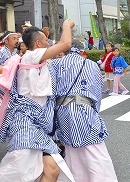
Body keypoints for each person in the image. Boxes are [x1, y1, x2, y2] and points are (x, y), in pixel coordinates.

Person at [0, 22, 74, 182]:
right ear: (38, 44)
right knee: (17, 171)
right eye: (46, 40)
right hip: (25, 123)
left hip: (39, 124)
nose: (49, 43)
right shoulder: (31, 56)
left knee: (52, 170)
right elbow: (66, 44)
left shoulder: (36, 60)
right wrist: (65, 25)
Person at [49, 41, 118, 181]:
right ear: (81, 51)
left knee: (72, 151)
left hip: (62, 110)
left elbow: (51, 93)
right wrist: (95, 111)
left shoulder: (55, 65)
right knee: (95, 150)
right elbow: (97, 91)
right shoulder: (91, 65)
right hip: (84, 108)